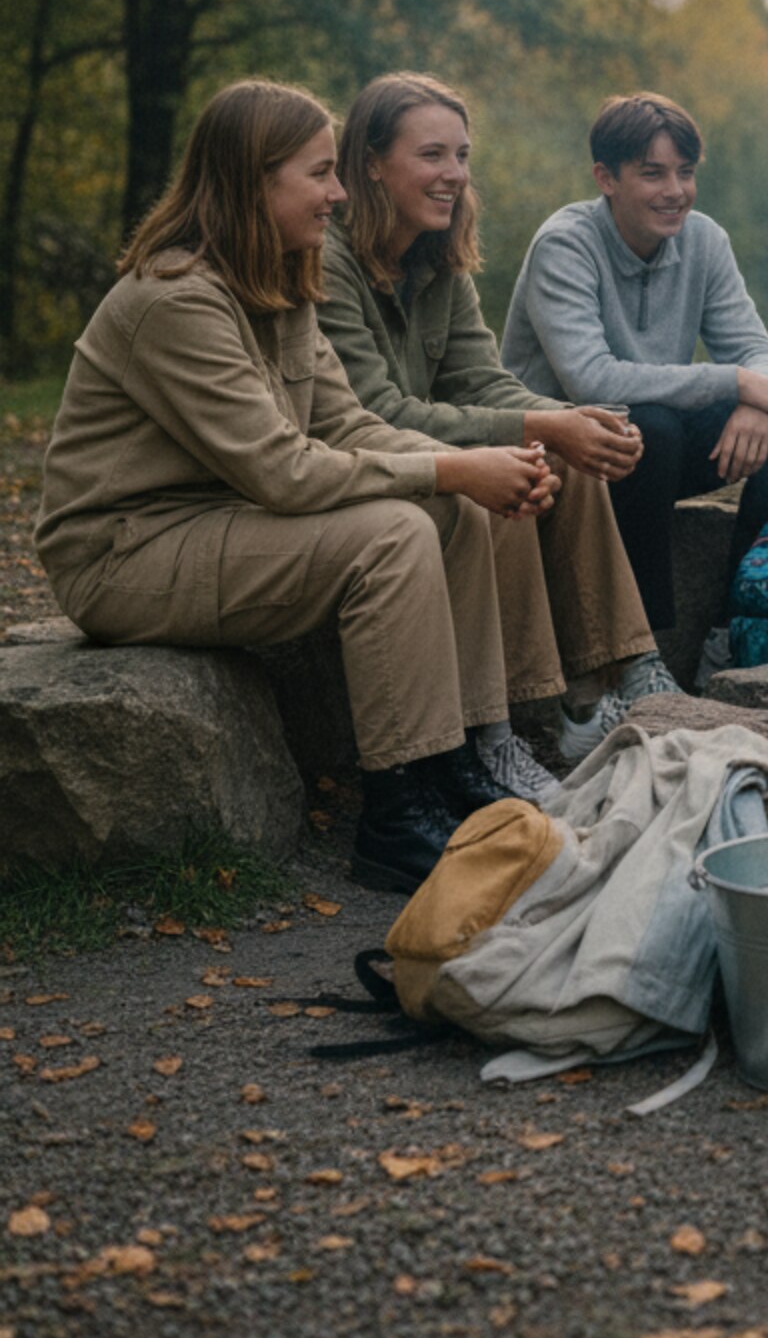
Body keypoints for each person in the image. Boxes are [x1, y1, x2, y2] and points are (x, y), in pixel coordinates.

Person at [34, 80, 560, 894]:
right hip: (122, 554)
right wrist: (450, 461)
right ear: (256, 180)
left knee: (448, 512)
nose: (340, 193)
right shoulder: (175, 298)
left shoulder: (282, 278)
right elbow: (282, 469)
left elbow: (345, 425)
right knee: (393, 534)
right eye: (319, 174)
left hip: (218, 520)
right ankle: (397, 811)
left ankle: (457, 767)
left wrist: (464, 478)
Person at [320, 73, 682, 771]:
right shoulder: (331, 264)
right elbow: (376, 412)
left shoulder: (435, 256)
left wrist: (574, 420)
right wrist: (538, 430)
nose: (453, 175)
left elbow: (481, 377)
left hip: (426, 447)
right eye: (432, 156)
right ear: (370, 163)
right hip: (369, 461)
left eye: (461, 157)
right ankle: (497, 735)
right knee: (507, 479)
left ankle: (601, 692)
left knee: (564, 457)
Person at [500, 92, 768, 671]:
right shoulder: (565, 244)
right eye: (652, 174)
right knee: (647, 426)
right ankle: (638, 655)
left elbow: (760, 354)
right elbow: (590, 378)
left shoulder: (704, 240)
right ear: (606, 177)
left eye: (685, 172)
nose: (675, 191)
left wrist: (754, 401)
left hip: (649, 454)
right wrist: (734, 382)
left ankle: (736, 631)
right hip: (558, 454)